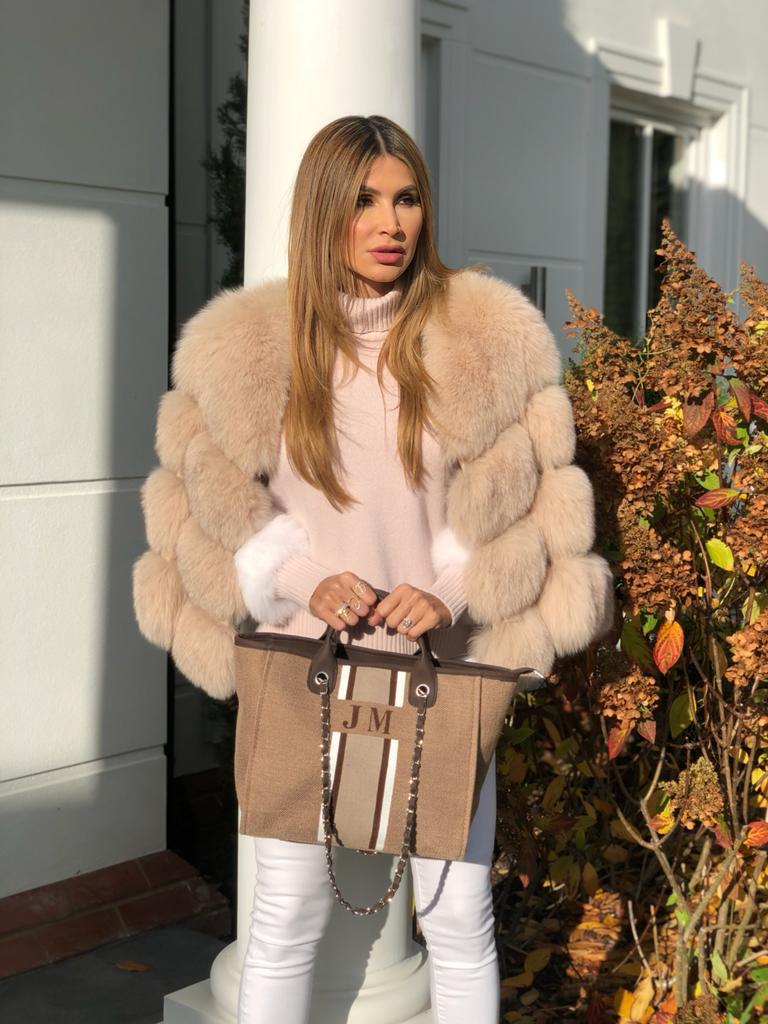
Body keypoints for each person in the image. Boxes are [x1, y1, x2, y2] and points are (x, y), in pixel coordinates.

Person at [132, 114, 614, 1024]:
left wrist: (453, 590)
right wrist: (298, 576)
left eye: (406, 198)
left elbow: (525, 513)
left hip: (443, 672)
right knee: (284, 922)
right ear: (324, 212)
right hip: (301, 667)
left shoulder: (484, 340)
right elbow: (208, 515)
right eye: (363, 201)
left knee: (459, 919)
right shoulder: (247, 350)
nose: (391, 223)